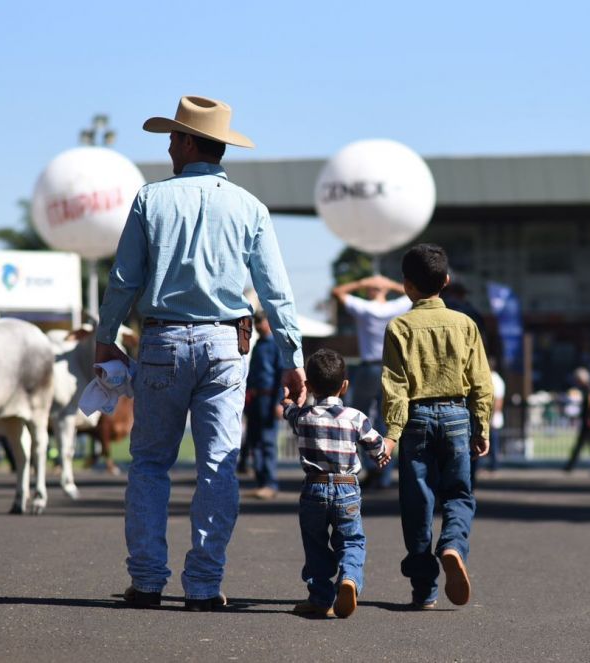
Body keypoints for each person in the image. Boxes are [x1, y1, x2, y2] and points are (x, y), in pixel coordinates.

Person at [94, 96, 305, 611]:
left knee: (149, 464)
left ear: (189, 142)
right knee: (218, 465)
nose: (168, 146)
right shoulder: (251, 207)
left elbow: (124, 279)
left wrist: (106, 336)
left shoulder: (150, 199)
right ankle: (204, 586)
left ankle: (147, 582)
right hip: (226, 346)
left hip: (162, 342)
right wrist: (293, 358)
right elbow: (276, 292)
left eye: (173, 137)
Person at [381, 244, 492, 610]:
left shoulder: (398, 327)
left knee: (417, 502)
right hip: (457, 416)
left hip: (416, 419)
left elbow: (395, 386)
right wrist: (482, 427)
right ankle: (453, 545)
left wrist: (392, 434)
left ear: (406, 285)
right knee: (459, 493)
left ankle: (424, 588)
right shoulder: (465, 324)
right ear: (446, 281)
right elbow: (481, 382)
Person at [281, 349, 389, 619]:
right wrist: (382, 455)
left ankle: (320, 597)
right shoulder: (355, 417)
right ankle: (349, 578)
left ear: (309, 386)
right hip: (346, 487)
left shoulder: (303, 417)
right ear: (345, 386)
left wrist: (289, 401)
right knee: (351, 540)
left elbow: (289, 412)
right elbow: (377, 446)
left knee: (315, 545)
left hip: (313, 488)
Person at [331, 273, 411, 489]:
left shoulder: (364, 308)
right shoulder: (395, 308)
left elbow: (337, 292)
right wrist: (390, 284)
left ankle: (370, 467)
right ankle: (384, 473)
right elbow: (413, 293)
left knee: (362, 419)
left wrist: (361, 281)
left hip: (368, 367)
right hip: (391, 368)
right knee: (387, 420)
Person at [243, 311, 285, 500]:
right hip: (255, 398)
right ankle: (261, 482)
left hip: (269, 398)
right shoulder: (259, 344)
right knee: (255, 441)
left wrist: (278, 402)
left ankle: (270, 483)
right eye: (257, 321)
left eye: (261, 321)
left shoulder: (275, 345)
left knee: (267, 441)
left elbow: (280, 375)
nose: (258, 325)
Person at [470, 358, 504, 489]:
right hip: (489, 418)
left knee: (490, 444)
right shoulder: (495, 379)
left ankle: (493, 467)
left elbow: (497, 400)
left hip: (490, 418)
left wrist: (490, 418)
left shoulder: (494, 379)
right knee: (489, 444)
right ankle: (490, 467)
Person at [564, 368, 590, 476]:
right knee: (587, 444)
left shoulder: (589, 388)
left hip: (589, 421)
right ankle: (570, 466)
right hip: (589, 419)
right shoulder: (588, 388)